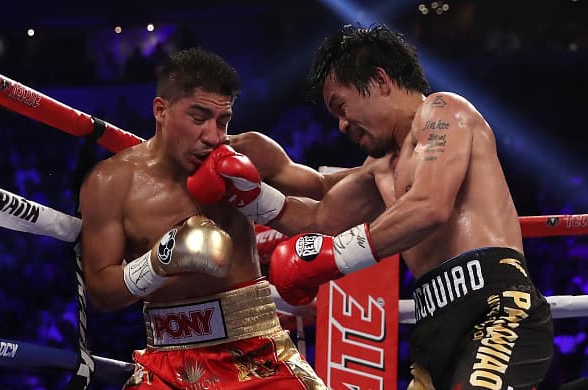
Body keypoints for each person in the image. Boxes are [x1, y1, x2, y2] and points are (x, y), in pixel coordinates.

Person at [188, 24, 554, 389]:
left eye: (342, 107)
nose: (343, 124)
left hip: (494, 312)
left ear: (380, 80)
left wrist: (337, 257)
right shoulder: (380, 168)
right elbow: (319, 217)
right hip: (434, 332)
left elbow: (429, 206)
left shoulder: (444, 111)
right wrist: (252, 195)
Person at [79, 47, 333, 389]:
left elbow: (324, 188)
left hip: (257, 352)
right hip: (167, 363)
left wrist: (395, 164)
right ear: (161, 110)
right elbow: (101, 291)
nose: (214, 136)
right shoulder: (110, 183)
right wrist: (157, 263)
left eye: (223, 120)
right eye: (199, 118)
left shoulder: (247, 153)